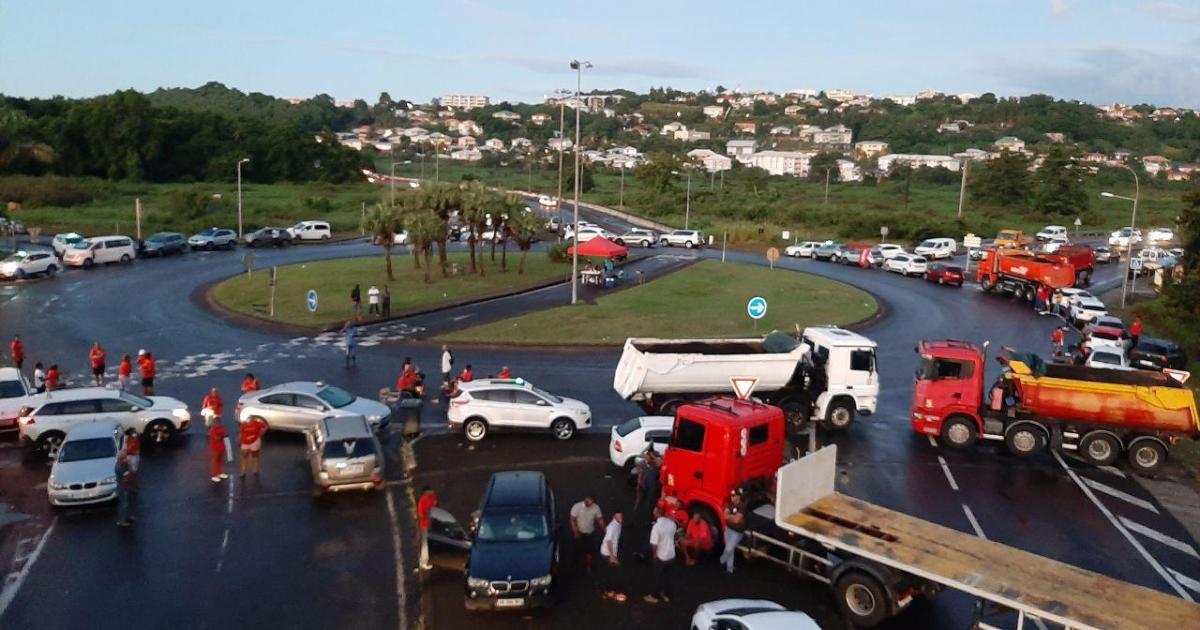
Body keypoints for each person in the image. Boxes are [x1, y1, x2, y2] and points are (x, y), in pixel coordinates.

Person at [644, 506, 677, 604]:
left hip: (661, 556)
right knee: (667, 576)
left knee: (657, 576)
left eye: (654, 512)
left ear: (657, 514)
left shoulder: (656, 527)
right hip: (671, 554)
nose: (653, 514)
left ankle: (653, 596)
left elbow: (654, 544)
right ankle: (666, 595)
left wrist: (654, 554)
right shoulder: (672, 523)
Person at [570, 495, 605, 572]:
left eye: (590, 501)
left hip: (590, 533)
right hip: (579, 532)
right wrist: (575, 531)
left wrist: (604, 529)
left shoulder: (596, 508)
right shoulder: (577, 507)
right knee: (576, 548)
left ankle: (588, 566)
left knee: (589, 550)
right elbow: (572, 520)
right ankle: (574, 563)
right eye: (587, 500)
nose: (588, 502)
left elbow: (600, 519)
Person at [599, 512, 626, 602]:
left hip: (611, 553)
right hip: (607, 553)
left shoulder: (617, 524)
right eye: (619, 515)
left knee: (611, 572)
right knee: (610, 573)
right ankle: (608, 592)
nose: (621, 517)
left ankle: (609, 590)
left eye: (621, 515)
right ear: (614, 516)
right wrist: (612, 556)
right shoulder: (613, 526)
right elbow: (609, 541)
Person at [719, 492, 747, 574]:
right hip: (728, 529)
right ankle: (729, 569)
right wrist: (733, 517)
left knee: (728, 549)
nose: (732, 497)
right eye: (731, 495)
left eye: (733, 495)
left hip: (737, 532)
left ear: (738, 497)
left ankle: (721, 561)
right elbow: (724, 516)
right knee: (730, 550)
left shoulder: (742, 506)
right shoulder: (730, 504)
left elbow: (736, 520)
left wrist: (730, 517)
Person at [417, 487, 438, 571]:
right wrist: (428, 518)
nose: (432, 492)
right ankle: (423, 562)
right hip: (425, 525)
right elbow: (421, 514)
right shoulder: (422, 501)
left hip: (432, 524)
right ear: (425, 492)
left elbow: (435, 506)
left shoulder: (432, 498)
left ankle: (431, 559)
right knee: (425, 544)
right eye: (430, 491)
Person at [207, 413, 229, 483]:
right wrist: (222, 435)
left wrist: (222, 435)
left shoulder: (222, 428)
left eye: (219, 421)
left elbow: (226, 434)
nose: (218, 422)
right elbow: (217, 437)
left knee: (220, 460)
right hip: (215, 447)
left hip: (222, 446)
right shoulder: (212, 429)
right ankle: (214, 475)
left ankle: (220, 473)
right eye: (216, 421)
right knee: (215, 461)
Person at [115, 451, 134, 528]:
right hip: (123, 487)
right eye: (125, 458)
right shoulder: (120, 467)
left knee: (127, 502)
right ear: (121, 459)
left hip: (124, 486)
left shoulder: (122, 465)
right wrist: (129, 475)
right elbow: (126, 477)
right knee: (124, 504)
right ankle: (121, 521)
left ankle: (126, 516)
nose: (126, 459)